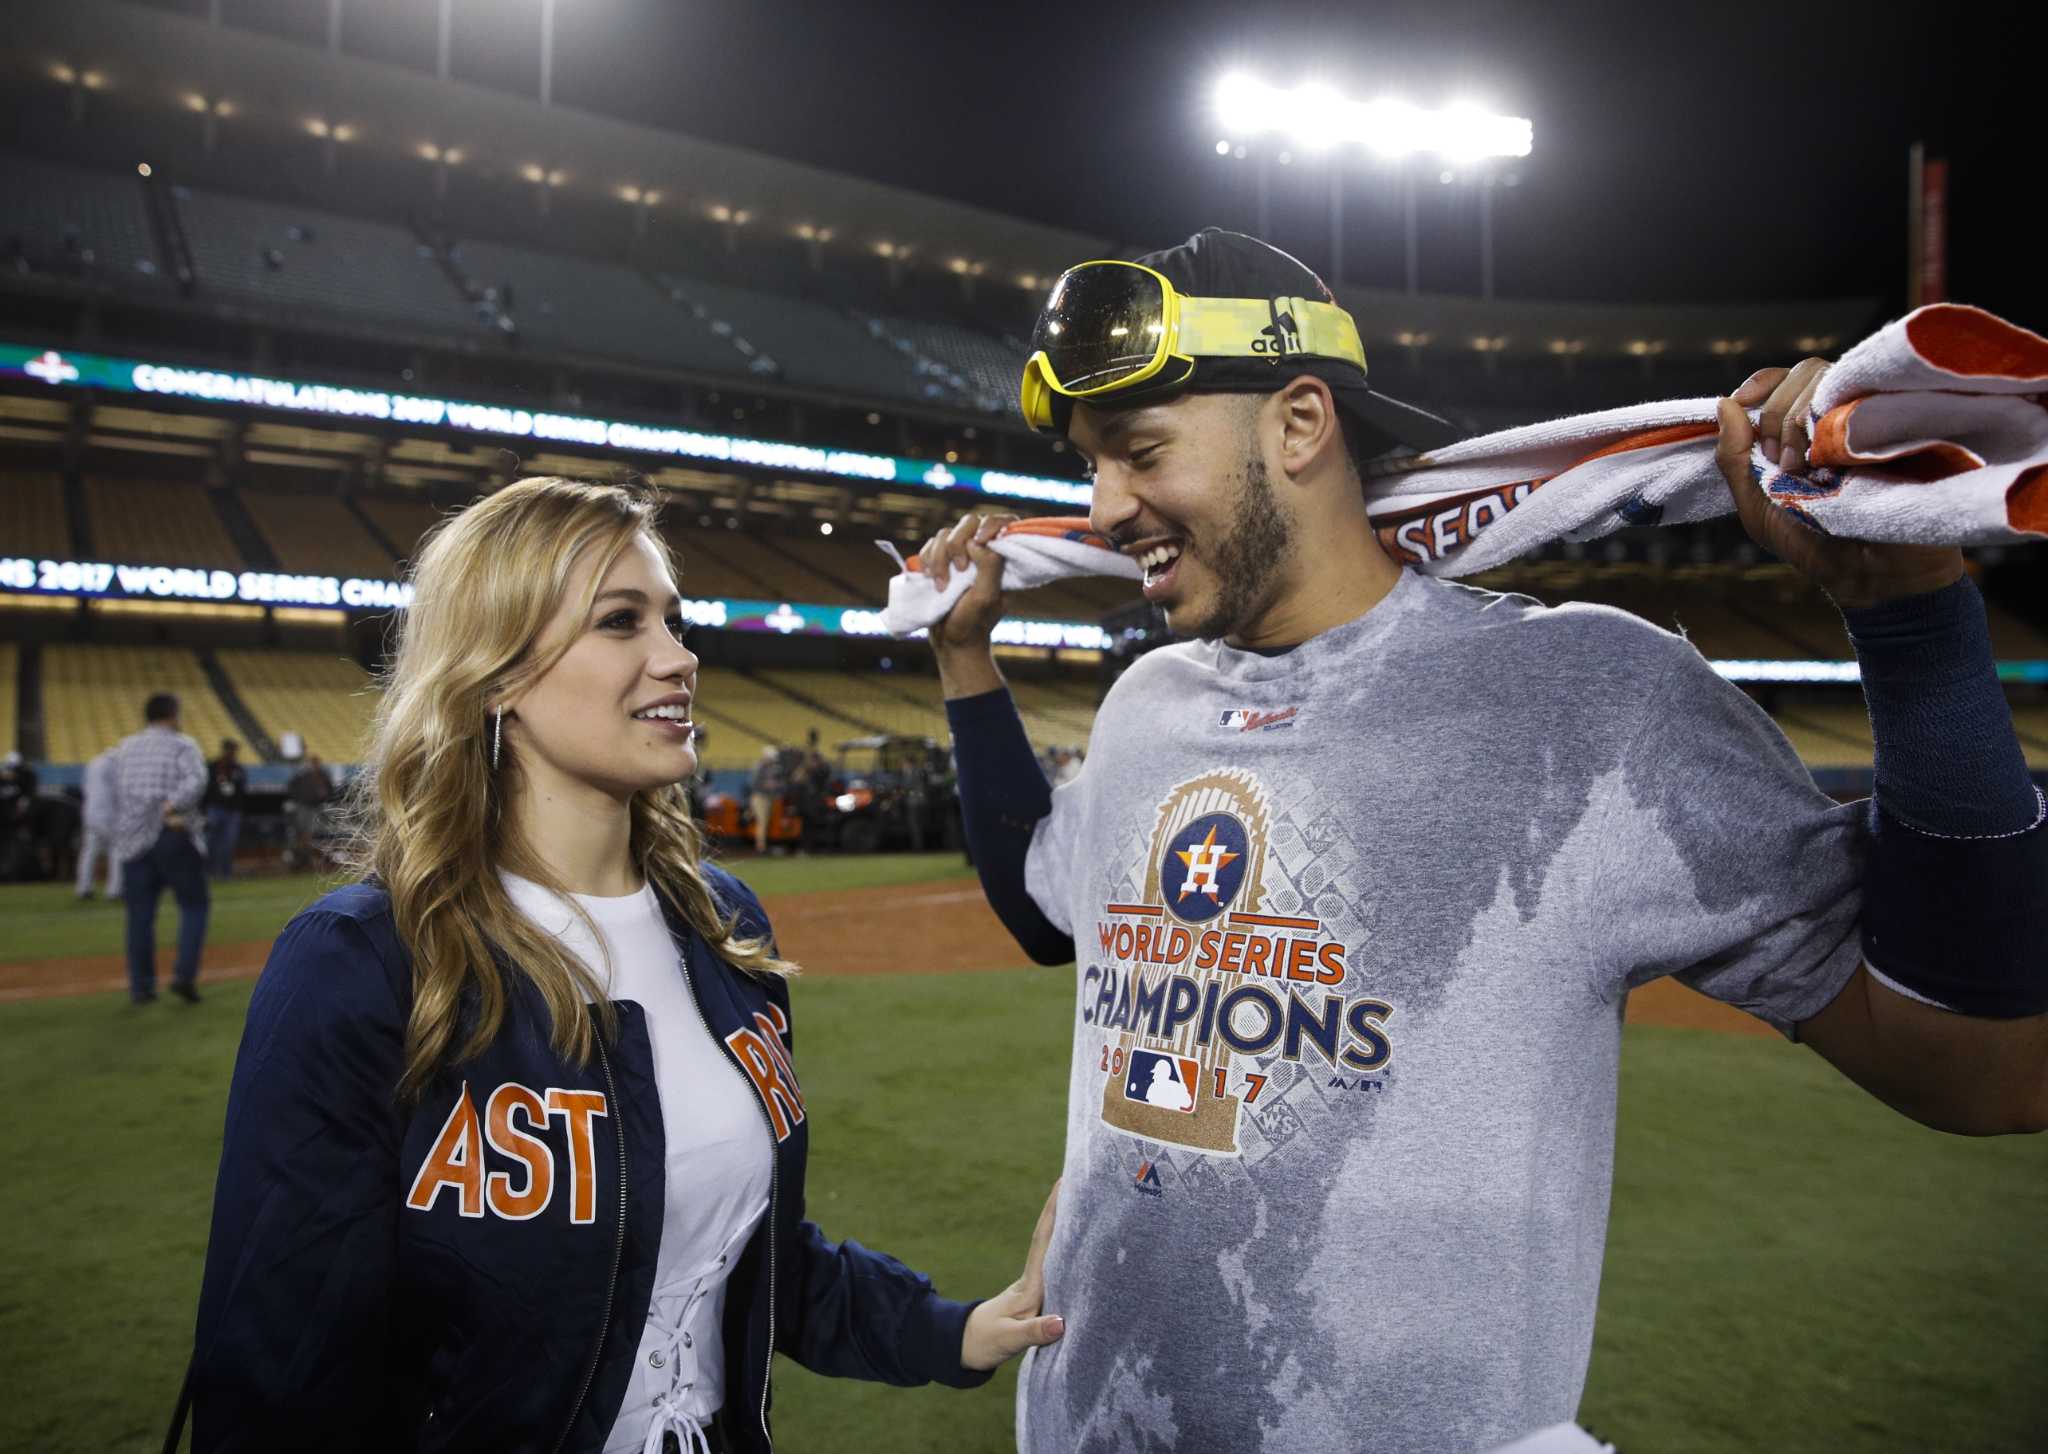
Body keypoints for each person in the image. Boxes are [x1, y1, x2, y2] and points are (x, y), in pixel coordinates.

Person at [917, 229, 2048, 1453]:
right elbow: (1040, 910)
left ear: (1300, 425)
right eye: (1089, 465)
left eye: (1138, 453)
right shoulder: (1148, 702)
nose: (1100, 509)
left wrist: (1912, 621)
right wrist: (960, 658)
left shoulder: (1586, 698)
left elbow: (1984, 1070)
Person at [180, 477, 1062, 1454]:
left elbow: (754, 1255)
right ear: (498, 672)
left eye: (673, 622)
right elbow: (277, 1371)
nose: (678, 657)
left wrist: (954, 1327)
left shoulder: (722, 925)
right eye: (619, 621)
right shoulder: (365, 962)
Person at [108, 693, 209, 1005]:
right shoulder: (183, 744)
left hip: (132, 840)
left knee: (139, 916)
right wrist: (170, 804)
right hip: (171, 833)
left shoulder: (125, 747)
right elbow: (197, 782)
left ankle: (141, 987)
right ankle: (183, 976)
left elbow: (116, 791)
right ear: (172, 714)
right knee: (194, 906)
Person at [75, 744, 121, 899]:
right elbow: (119, 790)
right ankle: (115, 890)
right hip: (108, 815)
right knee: (118, 849)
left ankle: (83, 888)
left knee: (90, 852)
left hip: (90, 813)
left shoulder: (94, 763)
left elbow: (85, 787)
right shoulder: (115, 766)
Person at [202, 738, 248, 879]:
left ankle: (225, 873)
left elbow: (241, 790)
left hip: (233, 811)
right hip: (215, 809)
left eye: (234, 750)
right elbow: (206, 788)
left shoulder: (238, 769)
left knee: (228, 843)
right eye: (231, 750)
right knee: (210, 842)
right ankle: (208, 872)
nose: (233, 753)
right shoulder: (214, 767)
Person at [283, 752, 332, 870]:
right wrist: (298, 799)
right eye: (313, 762)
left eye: (316, 762)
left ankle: (307, 859)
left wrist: (323, 796)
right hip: (304, 806)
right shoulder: (303, 775)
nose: (315, 765)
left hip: (316, 807)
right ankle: (302, 859)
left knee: (310, 834)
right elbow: (291, 786)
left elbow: (329, 789)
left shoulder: (322, 775)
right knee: (303, 833)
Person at [0, 749, 37, 880]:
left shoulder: (25, 782)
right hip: (5, 822)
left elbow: (26, 800)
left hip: (16, 823)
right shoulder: (4, 781)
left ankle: (14, 873)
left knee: (18, 846)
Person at [747, 743, 785, 855]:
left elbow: (780, 783)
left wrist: (775, 785)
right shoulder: (759, 768)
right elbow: (754, 784)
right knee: (762, 822)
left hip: (768, 798)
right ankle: (760, 847)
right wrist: (766, 784)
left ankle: (762, 846)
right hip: (759, 797)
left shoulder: (774, 768)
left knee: (764, 822)